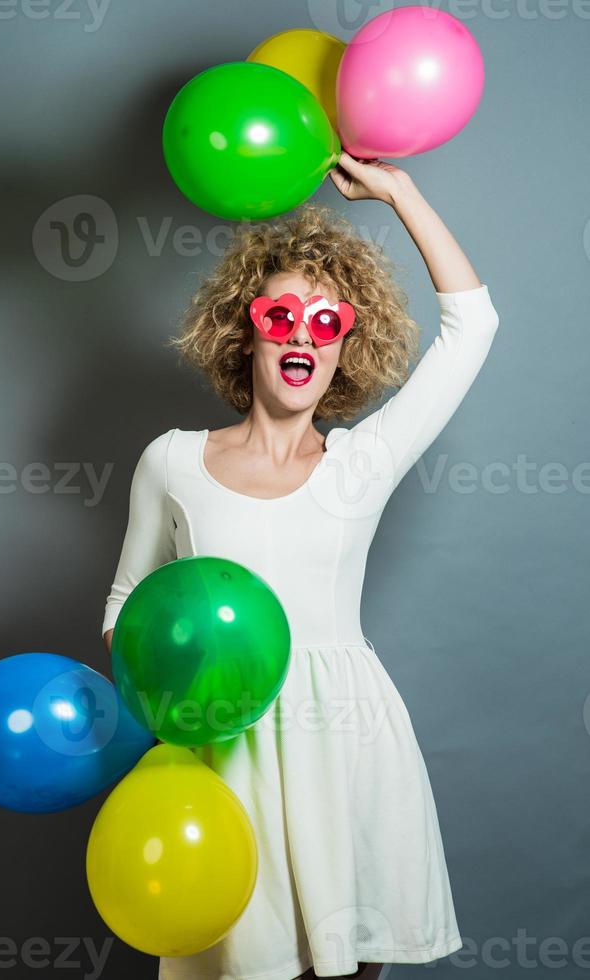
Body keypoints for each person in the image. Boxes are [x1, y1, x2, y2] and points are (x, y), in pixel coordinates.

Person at [101, 151, 500, 980]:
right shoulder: (170, 463)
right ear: (244, 330)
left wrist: (400, 192)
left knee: (349, 966)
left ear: (346, 348)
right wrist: (170, 684)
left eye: (327, 324)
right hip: (223, 753)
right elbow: (125, 604)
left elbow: (474, 327)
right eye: (282, 316)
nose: (302, 337)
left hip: (345, 744)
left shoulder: (364, 463)